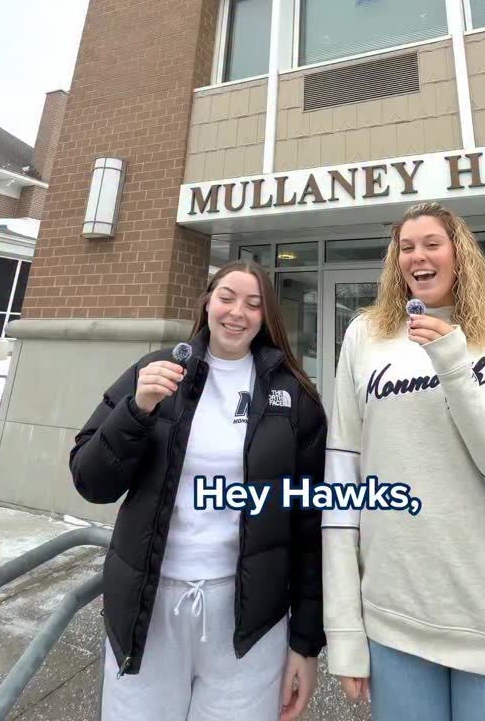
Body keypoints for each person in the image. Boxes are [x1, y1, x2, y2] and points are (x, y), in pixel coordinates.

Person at [323, 201, 485, 721]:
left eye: (432, 243)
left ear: (460, 255)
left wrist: (456, 372)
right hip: (395, 622)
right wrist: (343, 626)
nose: (418, 256)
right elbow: (342, 484)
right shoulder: (365, 338)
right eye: (405, 247)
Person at [70, 260, 327, 721]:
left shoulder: (293, 396)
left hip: (250, 619)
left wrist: (306, 644)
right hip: (149, 612)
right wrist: (137, 409)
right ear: (207, 302)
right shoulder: (157, 370)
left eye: (253, 304)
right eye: (227, 297)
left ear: (266, 317)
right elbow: (91, 481)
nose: (237, 312)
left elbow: (310, 524)